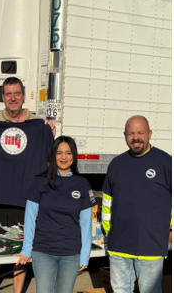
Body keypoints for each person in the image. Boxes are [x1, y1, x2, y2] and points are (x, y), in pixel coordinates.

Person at [0, 77, 55, 293]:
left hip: (26, 197)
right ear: (3, 97)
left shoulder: (38, 123)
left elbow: (47, 160)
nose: (13, 98)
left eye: (17, 93)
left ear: (24, 95)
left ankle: (17, 292)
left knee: (21, 249)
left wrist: (48, 133)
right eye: (8, 94)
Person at [15, 136, 95, 293]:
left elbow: (86, 223)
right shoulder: (40, 182)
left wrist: (85, 255)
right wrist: (26, 249)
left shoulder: (82, 184)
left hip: (71, 253)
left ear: (74, 156)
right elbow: (30, 218)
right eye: (59, 153)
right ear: (53, 155)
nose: (64, 157)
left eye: (68, 153)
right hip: (43, 251)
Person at [102, 115, 172, 293]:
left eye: (140, 132)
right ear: (125, 135)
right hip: (119, 247)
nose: (136, 137)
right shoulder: (116, 164)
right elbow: (106, 205)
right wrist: (110, 233)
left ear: (149, 134)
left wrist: (169, 230)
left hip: (151, 247)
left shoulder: (166, 163)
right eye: (131, 133)